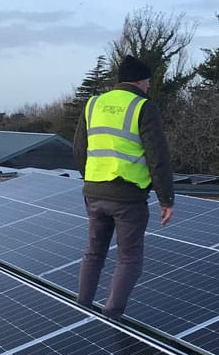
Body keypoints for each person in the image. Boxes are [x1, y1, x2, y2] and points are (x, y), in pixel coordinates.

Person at [73, 54, 174, 319]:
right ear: (140, 81)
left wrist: (91, 178)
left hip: (94, 192)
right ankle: (111, 318)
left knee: (94, 252)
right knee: (129, 259)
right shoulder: (143, 106)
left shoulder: (93, 104)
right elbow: (157, 156)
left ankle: (80, 308)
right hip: (128, 196)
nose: (149, 87)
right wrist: (166, 199)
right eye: (148, 82)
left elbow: (79, 149)